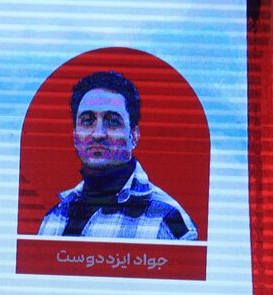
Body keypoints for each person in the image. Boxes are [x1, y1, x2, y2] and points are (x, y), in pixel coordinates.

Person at [38, 70, 198, 240]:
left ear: (134, 136)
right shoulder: (55, 216)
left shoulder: (167, 221)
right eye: (87, 121)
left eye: (112, 121)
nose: (98, 134)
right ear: (75, 135)